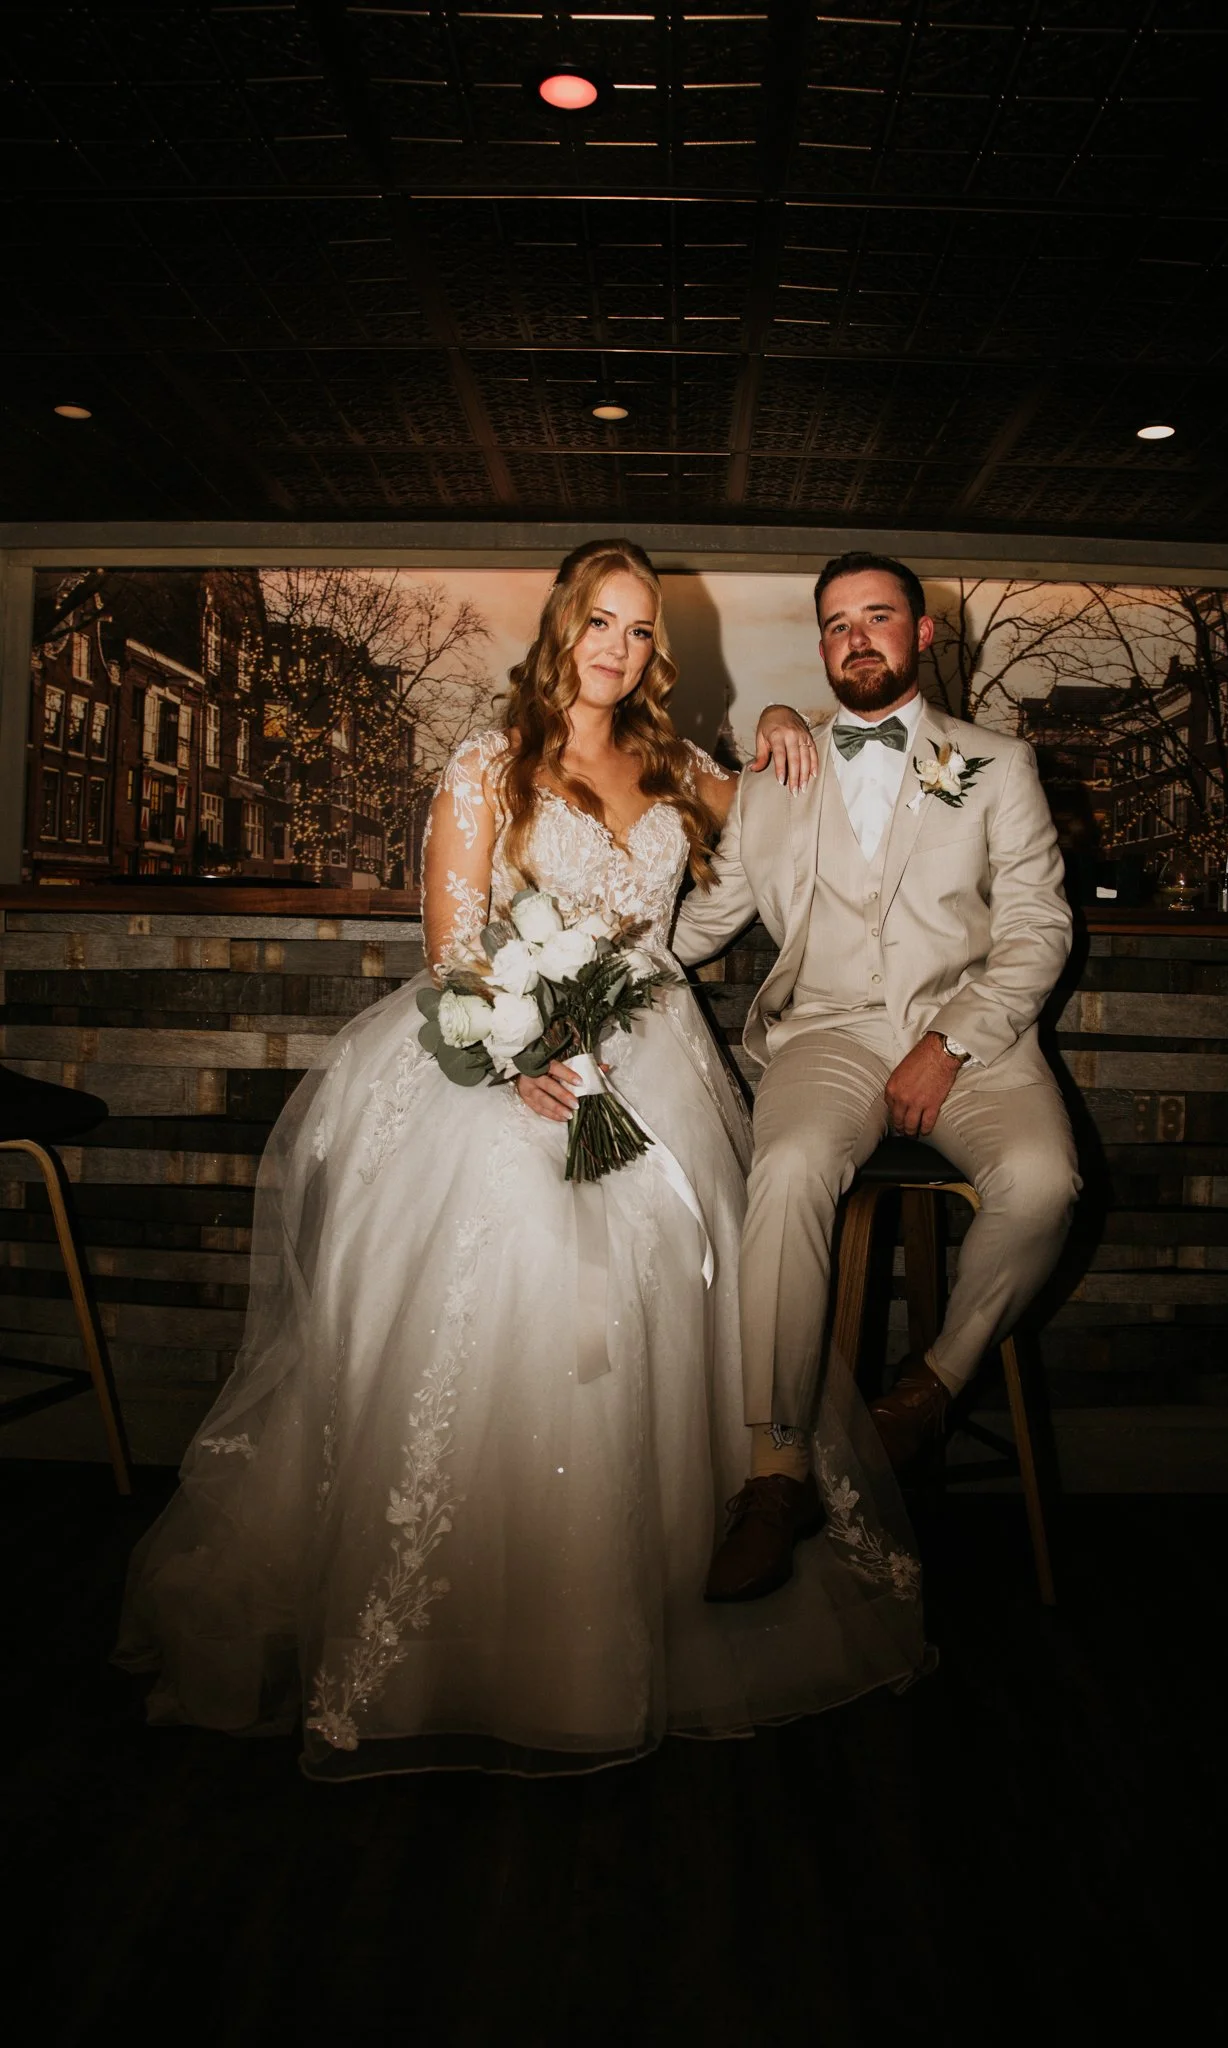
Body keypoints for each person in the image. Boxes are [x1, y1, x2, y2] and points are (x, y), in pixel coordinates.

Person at [116, 540, 932, 1780]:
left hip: (659, 1057)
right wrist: (518, 1053)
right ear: (563, 627)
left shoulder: (672, 762)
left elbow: (777, 806)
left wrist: (780, 716)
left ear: (657, 649)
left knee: (678, 1285)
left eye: (641, 630)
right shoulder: (490, 765)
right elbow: (452, 954)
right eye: (600, 622)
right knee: (518, 1295)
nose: (619, 647)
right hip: (516, 1059)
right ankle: (483, 1632)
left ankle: (651, 1599)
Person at [673, 551, 1081, 1601]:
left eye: (880, 616)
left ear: (922, 633)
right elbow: (701, 925)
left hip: (972, 1040)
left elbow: (1040, 927)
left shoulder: (997, 762)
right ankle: (774, 1470)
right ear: (821, 645)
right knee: (791, 1162)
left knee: (1045, 1186)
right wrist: (574, 956)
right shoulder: (776, 773)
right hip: (831, 1035)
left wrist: (951, 1043)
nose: (858, 636)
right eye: (838, 622)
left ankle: (933, 1384)